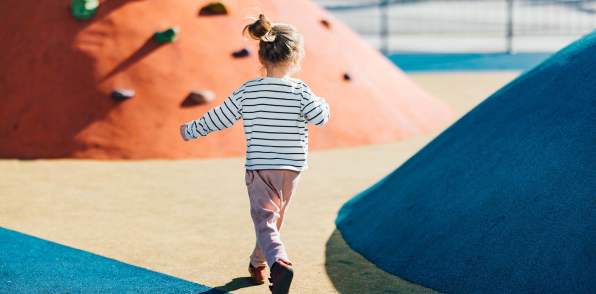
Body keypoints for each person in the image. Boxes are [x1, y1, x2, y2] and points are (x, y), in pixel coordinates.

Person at [179, 14, 330, 293]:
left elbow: (219, 117)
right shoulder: (301, 91)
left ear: (261, 56)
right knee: (272, 220)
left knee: (265, 220)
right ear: (296, 57)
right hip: (292, 169)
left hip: (261, 168)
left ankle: (279, 263)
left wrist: (191, 130)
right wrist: (321, 101)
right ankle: (258, 263)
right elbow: (320, 117)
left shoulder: (249, 91)